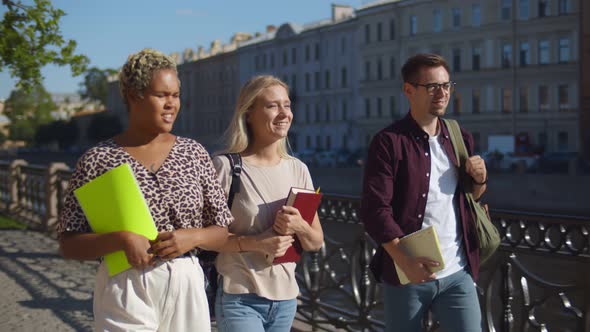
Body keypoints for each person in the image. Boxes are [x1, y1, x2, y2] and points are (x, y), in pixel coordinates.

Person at [57, 48, 233, 331]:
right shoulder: (98, 159)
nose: (171, 104)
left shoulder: (194, 153)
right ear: (133, 96)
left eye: (175, 95)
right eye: (161, 95)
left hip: (185, 281)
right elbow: (68, 244)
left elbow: (222, 231)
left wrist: (192, 237)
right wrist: (122, 239)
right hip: (125, 284)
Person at [361, 53, 487, 332]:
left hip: (457, 271)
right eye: (432, 87)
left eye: (446, 85)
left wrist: (479, 180)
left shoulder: (459, 136)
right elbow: (374, 210)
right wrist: (405, 260)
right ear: (409, 90)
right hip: (408, 275)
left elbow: (471, 199)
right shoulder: (389, 142)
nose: (442, 93)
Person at [211, 75, 324, 332]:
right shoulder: (226, 167)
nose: (284, 113)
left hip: (286, 300)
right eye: (272, 106)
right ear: (249, 113)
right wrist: (256, 242)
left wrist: (300, 226)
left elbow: (316, 242)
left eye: (287, 104)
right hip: (240, 298)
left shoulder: (299, 169)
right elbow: (205, 238)